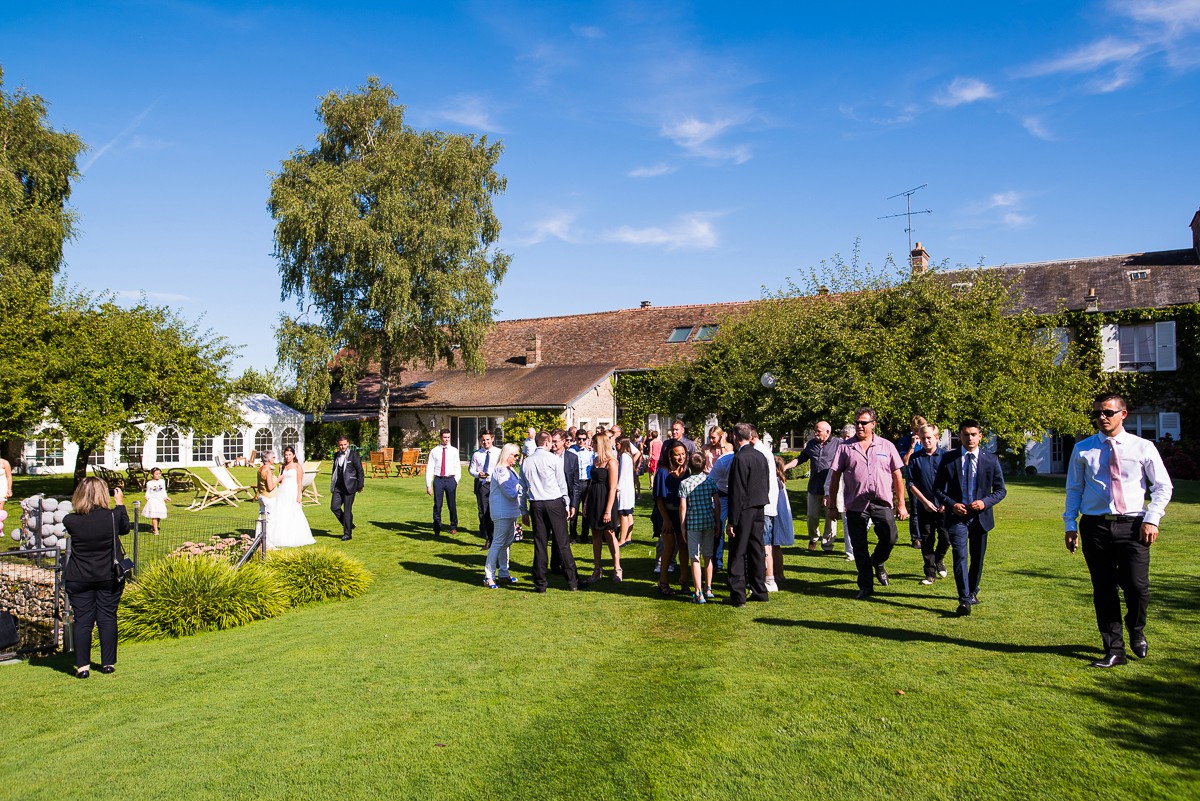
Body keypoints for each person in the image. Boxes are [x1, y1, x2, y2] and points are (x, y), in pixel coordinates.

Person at [1064, 393, 1173, 668]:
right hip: (1095, 526)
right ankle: (1115, 649)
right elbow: (1074, 489)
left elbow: (1162, 487)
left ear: (1123, 414)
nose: (1102, 417)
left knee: (1137, 587)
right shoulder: (1083, 449)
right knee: (1103, 589)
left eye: (1108, 412)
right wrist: (1070, 525)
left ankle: (1136, 629)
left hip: (1134, 525)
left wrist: (1152, 519)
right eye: (1098, 413)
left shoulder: (1143, 447)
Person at [826, 407, 908, 600]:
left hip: (881, 503)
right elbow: (835, 477)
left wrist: (901, 504)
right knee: (859, 546)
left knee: (890, 538)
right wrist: (831, 506)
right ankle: (865, 586)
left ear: (873, 424)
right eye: (857, 423)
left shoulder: (886, 446)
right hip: (855, 505)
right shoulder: (845, 447)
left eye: (864, 423)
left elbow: (897, 476)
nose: (859, 426)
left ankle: (878, 562)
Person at [933, 419, 1007, 616]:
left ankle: (973, 591)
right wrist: (952, 504)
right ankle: (964, 599)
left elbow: (1000, 491)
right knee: (960, 556)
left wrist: (985, 502)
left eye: (974, 434)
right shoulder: (949, 459)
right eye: (966, 434)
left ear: (980, 436)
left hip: (981, 517)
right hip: (957, 517)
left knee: (977, 558)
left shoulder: (991, 460)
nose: (970, 438)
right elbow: (938, 488)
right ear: (960, 436)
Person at [63, 477, 130, 678]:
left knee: (83, 620)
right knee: (107, 617)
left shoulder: (71, 520)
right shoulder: (112, 517)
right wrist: (120, 504)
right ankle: (107, 663)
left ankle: (82, 667)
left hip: (79, 576)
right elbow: (125, 528)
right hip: (108, 575)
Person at [520, 431, 578, 592]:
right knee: (562, 543)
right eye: (551, 442)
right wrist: (566, 504)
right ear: (546, 443)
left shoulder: (527, 462)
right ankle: (572, 581)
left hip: (536, 504)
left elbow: (521, 488)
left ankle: (540, 584)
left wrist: (523, 510)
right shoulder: (553, 459)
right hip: (554, 503)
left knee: (540, 544)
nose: (553, 445)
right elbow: (562, 484)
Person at [726, 423, 770, 607]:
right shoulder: (760, 455)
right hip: (759, 506)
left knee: (737, 551)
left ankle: (738, 595)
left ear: (736, 437)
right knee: (756, 549)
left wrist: (732, 520)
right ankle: (759, 590)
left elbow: (737, 491)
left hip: (744, 509)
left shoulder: (740, 458)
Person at [785, 421, 840, 552]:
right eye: (815, 430)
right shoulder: (811, 444)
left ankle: (827, 545)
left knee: (830, 517)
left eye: (818, 431)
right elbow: (801, 459)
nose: (815, 433)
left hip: (831, 487)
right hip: (814, 487)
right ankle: (814, 538)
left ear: (828, 432)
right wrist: (785, 467)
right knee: (812, 516)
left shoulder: (838, 443)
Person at [908, 424, 949, 585]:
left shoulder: (946, 457)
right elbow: (911, 483)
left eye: (929, 438)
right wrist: (924, 502)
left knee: (946, 538)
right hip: (924, 507)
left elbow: (952, 482)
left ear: (937, 438)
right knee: (927, 539)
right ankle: (930, 572)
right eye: (923, 438)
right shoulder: (915, 458)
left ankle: (938, 560)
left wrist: (947, 502)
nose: (926, 441)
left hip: (944, 506)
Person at [678, 452, 720, 603]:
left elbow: (683, 508)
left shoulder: (685, 483)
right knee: (708, 556)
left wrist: (682, 527)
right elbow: (717, 503)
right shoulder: (710, 481)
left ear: (689, 465)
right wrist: (718, 522)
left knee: (694, 558)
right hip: (708, 521)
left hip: (693, 523)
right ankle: (708, 588)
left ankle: (698, 592)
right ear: (704, 465)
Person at [484, 444, 523, 588]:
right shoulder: (500, 470)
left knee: (507, 542)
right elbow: (510, 492)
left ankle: (504, 572)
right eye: (515, 455)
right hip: (502, 511)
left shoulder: (511, 470)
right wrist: (523, 487)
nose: (517, 458)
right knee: (498, 543)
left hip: (511, 511)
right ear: (507, 455)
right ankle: (489, 575)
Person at [585, 431, 622, 583]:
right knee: (595, 535)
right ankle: (597, 569)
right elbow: (591, 483)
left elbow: (613, 488)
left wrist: (607, 510)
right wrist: (586, 502)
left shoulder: (611, 462)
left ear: (600, 444)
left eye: (593, 443)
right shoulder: (595, 461)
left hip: (606, 500)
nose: (591, 445)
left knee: (610, 534)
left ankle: (617, 568)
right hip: (594, 499)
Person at [655, 442, 690, 595]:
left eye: (683, 453)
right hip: (665, 514)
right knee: (669, 546)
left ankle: (684, 581)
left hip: (682, 514)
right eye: (677, 454)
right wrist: (666, 520)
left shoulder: (687, 471)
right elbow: (658, 499)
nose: (681, 457)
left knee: (684, 545)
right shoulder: (663, 472)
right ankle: (663, 582)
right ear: (670, 455)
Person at [752, 427, 781, 592]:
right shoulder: (763, 451)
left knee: (765, 543)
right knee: (766, 542)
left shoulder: (760, 452)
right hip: (767, 503)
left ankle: (770, 579)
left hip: (764, 504)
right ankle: (767, 578)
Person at [269, 446, 316, 548]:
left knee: (294, 513)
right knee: (281, 513)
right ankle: (279, 536)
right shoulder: (281, 467)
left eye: (289, 455)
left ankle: (295, 536)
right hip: (282, 492)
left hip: (292, 492)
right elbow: (281, 480)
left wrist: (299, 496)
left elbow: (299, 483)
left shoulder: (297, 467)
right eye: (286, 455)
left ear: (293, 455)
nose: (287, 457)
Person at [764, 454, 795, 591]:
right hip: (779, 514)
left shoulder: (774, 481)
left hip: (774, 514)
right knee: (775, 547)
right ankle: (779, 573)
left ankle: (777, 573)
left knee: (772, 545)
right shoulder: (780, 480)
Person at [469, 430, 501, 549]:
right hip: (483, 485)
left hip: (496, 485)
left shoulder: (499, 452)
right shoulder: (477, 454)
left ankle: (498, 536)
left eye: (488, 439)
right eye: (483, 440)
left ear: (492, 439)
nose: (485, 442)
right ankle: (488, 539)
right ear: (480, 441)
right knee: (484, 512)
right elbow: (471, 470)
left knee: (496, 512)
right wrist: (478, 474)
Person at [899, 415, 928, 547]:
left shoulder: (928, 440)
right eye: (917, 431)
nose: (919, 434)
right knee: (916, 508)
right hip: (914, 480)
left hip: (928, 478)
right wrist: (912, 446)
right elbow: (905, 461)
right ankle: (916, 537)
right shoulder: (905, 441)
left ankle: (928, 535)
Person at [426, 429, 460, 537]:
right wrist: (428, 484)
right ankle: (437, 528)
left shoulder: (454, 451)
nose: (447, 439)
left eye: (448, 437)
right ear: (441, 437)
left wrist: (456, 480)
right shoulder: (434, 451)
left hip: (450, 479)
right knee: (437, 505)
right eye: (445, 437)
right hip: (439, 480)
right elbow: (430, 468)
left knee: (452, 504)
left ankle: (453, 526)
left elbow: (457, 467)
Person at [329, 435, 364, 541]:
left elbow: (360, 470)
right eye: (341, 445)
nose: (343, 447)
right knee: (334, 507)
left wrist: (360, 484)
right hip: (338, 487)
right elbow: (335, 470)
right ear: (338, 445)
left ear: (348, 444)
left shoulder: (354, 455)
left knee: (347, 510)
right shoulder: (336, 455)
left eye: (344, 444)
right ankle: (349, 524)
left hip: (350, 486)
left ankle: (347, 534)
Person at [567, 429, 592, 542]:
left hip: (587, 482)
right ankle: (572, 535)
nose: (581, 441)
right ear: (575, 439)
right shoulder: (571, 451)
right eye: (579, 439)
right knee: (574, 510)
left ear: (587, 440)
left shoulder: (590, 453)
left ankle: (584, 535)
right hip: (575, 484)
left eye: (583, 439)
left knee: (586, 511)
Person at [615, 436, 637, 547]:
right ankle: (628, 537)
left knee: (623, 514)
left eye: (617, 444)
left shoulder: (624, 456)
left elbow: (622, 474)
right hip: (629, 488)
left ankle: (622, 539)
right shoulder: (629, 455)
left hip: (624, 489)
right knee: (629, 514)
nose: (616, 446)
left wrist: (617, 487)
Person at [258, 450, 280, 545]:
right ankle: (268, 543)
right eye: (273, 457)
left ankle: (258, 540)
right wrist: (279, 479)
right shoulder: (268, 471)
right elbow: (270, 487)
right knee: (269, 521)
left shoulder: (260, 469)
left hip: (262, 496)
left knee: (262, 519)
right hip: (269, 498)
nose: (275, 458)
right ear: (270, 459)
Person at [142, 467, 169, 535]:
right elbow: (148, 492)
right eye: (156, 474)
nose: (158, 475)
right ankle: (156, 530)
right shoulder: (149, 483)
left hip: (160, 500)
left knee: (159, 515)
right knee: (154, 515)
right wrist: (147, 496)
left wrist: (166, 497)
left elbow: (163, 491)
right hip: (153, 501)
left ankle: (154, 527)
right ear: (152, 475)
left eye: (159, 473)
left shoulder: (162, 481)